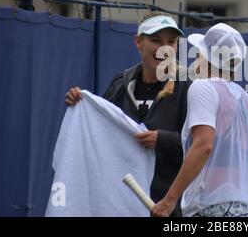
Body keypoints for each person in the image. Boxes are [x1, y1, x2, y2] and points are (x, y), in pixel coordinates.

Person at [65, 12, 191, 216]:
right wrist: (80, 103)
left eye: (171, 41)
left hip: (171, 209)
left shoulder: (190, 86)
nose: (164, 48)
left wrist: (163, 140)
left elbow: (204, 146)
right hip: (119, 205)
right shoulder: (121, 83)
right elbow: (100, 135)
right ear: (138, 42)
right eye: (156, 40)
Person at [151, 23, 248, 217]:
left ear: (207, 59)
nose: (195, 63)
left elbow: (203, 146)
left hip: (207, 209)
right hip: (241, 212)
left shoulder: (202, 87)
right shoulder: (246, 99)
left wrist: (169, 201)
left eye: (197, 56)